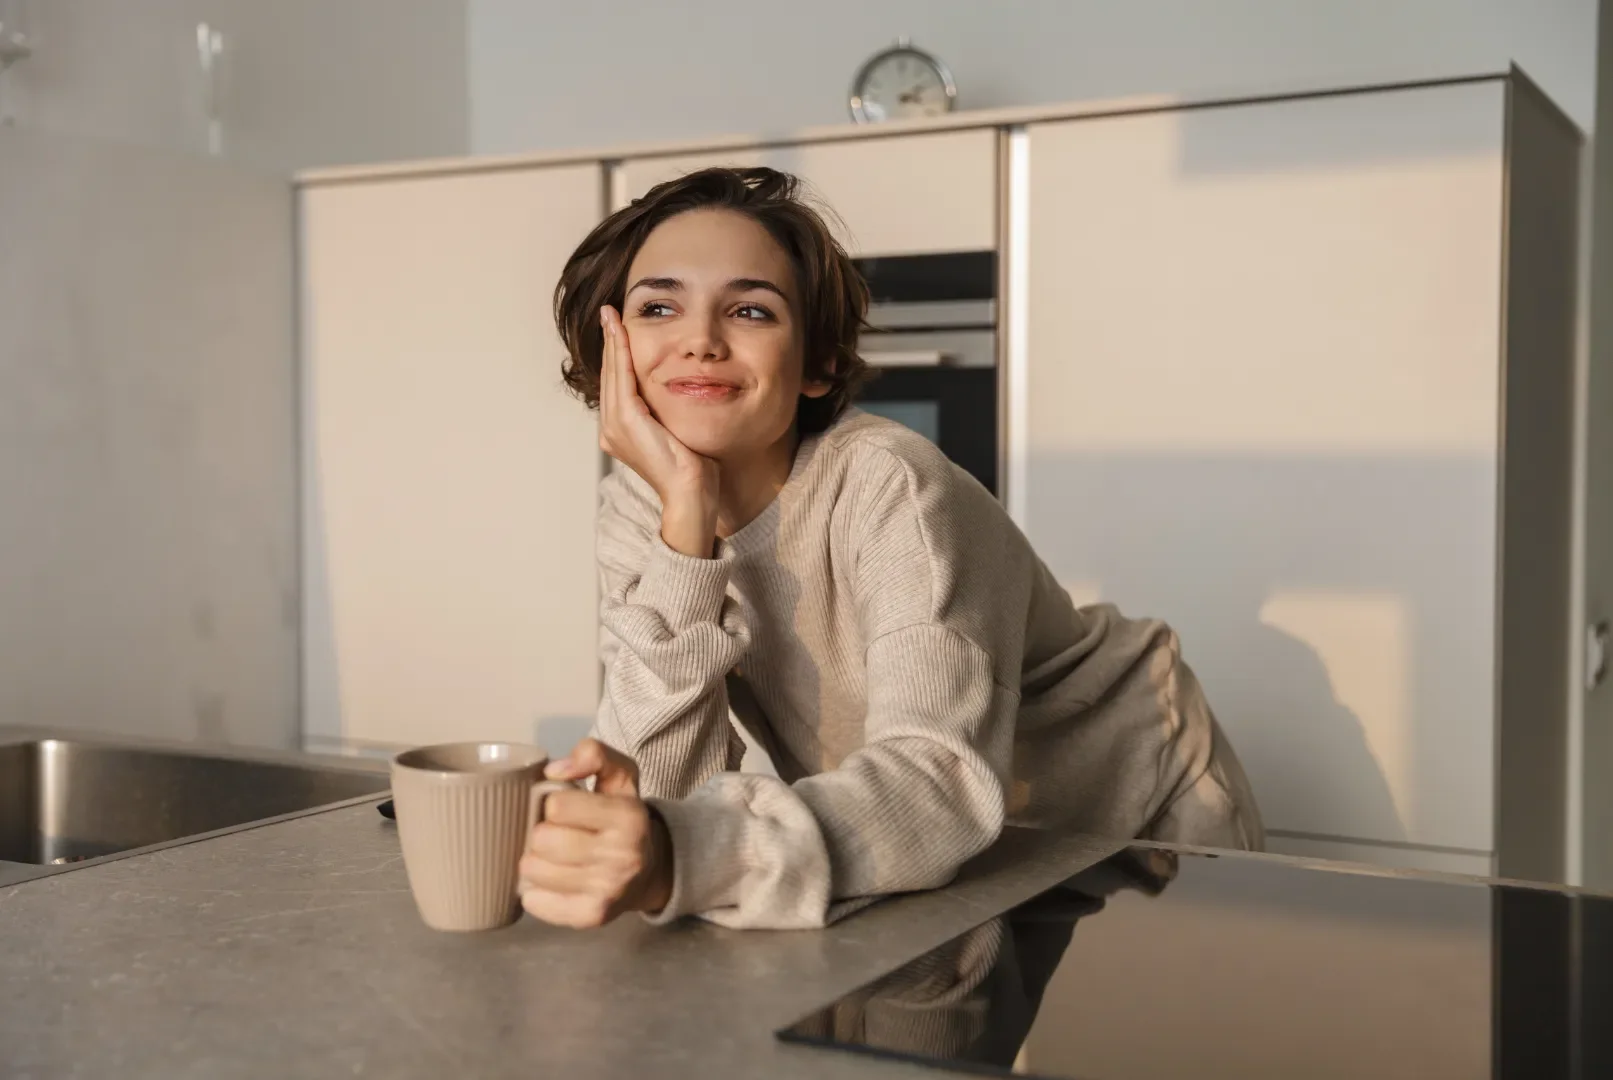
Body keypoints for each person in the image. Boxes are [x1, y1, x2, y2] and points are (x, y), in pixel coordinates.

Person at [516, 167, 1263, 931]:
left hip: (1130, 810)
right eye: (658, 306)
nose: (700, 341)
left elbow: (936, 781)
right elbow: (664, 794)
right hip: (945, 844)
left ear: (818, 365)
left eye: (749, 310)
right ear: (611, 343)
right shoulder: (642, 510)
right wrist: (686, 520)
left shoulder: (890, 484)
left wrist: (687, 855)